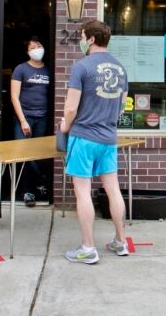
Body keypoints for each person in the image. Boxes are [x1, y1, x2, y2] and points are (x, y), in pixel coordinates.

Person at [59, 20, 128, 264]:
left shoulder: (82, 67)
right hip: (108, 138)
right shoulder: (120, 68)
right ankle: (121, 241)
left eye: (82, 35)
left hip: (84, 137)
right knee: (113, 189)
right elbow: (121, 107)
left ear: (90, 39)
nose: (80, 39)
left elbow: (70, 109)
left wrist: (64, 127)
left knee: (83, 193)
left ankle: (88, 248)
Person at [10, 36, 51, 206]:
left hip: (42, 117)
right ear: (28, 52)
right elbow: (14, 96)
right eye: (33, 47)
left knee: (35, 154)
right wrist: (23, 121)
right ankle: (34, 185)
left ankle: (32, 190)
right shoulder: (21, 69)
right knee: (24, 153)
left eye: (39, 45)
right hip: (24, 117)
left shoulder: (48, 70)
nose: (37, 49)